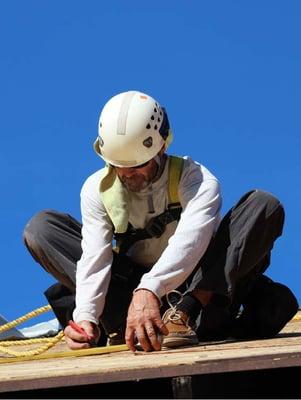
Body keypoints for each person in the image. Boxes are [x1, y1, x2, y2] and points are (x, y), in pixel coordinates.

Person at [23, 90, 298, 352]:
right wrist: (87, 317)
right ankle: (122, 326)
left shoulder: (196, 180)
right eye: (119, 165)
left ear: (161, 148)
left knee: (264, 205)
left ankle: (182, 316)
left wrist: (151, 289)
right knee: (42, 228)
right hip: (130, 299)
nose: (127, 174)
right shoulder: (96, 189)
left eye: (137, 165)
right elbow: (95, 257)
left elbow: (192, 241)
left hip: (201, 299)